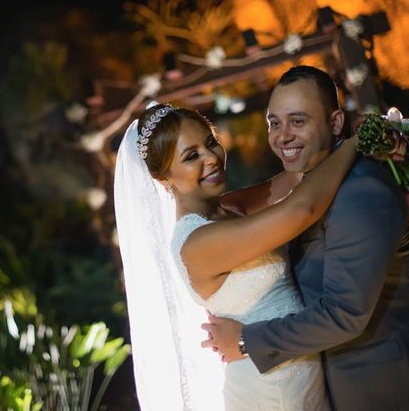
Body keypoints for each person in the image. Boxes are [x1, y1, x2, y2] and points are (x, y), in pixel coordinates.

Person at [114, 96, 358, 410]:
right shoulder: (197, 242)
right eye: (191, 156)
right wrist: (356, 144)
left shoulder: (228, 208)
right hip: (271, 387)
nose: (212, 158)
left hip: (297, 371)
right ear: (164, 178)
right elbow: (303, 208)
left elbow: (297, 179)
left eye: (210, 142)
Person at [202, 65, 409, 410]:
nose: (282, 136)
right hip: (326, 380)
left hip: (376, 384)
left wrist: (245, 341)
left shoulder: (361, 189)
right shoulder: (309, 184)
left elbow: (345, 313)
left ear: (336, 123)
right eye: (274, 122)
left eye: (298, 121)